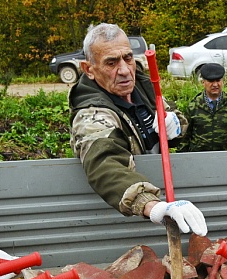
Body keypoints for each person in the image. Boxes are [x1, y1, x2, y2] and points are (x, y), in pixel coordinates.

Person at [68, 23, 207, 236]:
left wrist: (176, 124)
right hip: (128, 218)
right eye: (111, 63)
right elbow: (105, 162)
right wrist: (150, 204)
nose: (124, 70)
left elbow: (174, 117)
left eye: (128, 58)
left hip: (161, 196)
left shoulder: (143, 87)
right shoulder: (91, 114)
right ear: (89, 70)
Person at [181, 63, 227, 152]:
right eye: (211, 81)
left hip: (225, 157)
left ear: (222, 81)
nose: (215, 85)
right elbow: (185, 137)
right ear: (203, 83)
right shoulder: (193, 106)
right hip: (199, 157)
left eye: (218, 80)